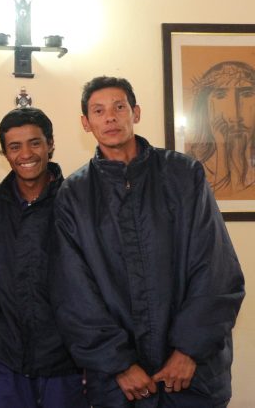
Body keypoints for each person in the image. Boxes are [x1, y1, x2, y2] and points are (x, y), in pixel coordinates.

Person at [51, 76, 246, 407]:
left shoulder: (184, 175)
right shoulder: (75, 195)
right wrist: (120, 364)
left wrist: (188, 351)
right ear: (86, 123)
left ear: (136, 113)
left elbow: (216, 270)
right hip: (120, 382)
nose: (110, 117)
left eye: (119, 107)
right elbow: (74, 294)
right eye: (98, 111)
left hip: (193, 375)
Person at [0, 108, 86, 408]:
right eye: (15, 146)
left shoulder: (79, 202)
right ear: (4, 152)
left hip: (68, 359)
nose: (26, 154)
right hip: (6, 358)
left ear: (50, 144)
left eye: (35, 143)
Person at [187, 60, 255, 197]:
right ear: (204, 107)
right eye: (220, 96)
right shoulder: (191, 163)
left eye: (247, 94)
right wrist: (221, 146)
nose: (235, 116)